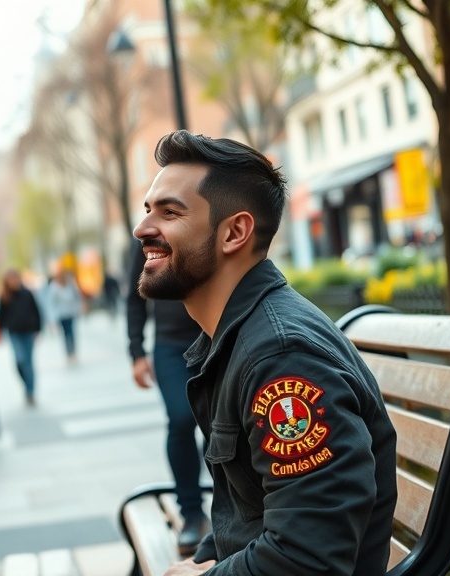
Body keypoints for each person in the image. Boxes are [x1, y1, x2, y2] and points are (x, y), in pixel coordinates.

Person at [132, 130, 397, 575]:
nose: (142, 229)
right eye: (147, 211)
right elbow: (248, 516)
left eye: (169, 212)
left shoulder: (282, 358)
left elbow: (309, 559)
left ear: (234, 232)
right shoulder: (237, 339)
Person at [125, 238, 207, 556]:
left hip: (213, 336)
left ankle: (231, 509)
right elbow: (134, 296)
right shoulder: (149, 238)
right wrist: (136, 351)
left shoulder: (203, 221)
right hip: (170, 347)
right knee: (181, 419)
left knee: (220, 422)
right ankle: (191, 512)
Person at [0, 268, 43, 405]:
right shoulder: (5, 296)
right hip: (14, 332)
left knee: (28, 362)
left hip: (28, 331)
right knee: (19, 361)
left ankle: (30, 392)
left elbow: (36, 311)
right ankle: (27, 384)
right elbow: (1, 316)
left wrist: (38, 329)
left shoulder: (27, 293)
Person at [45, 267, 84, 362]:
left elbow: (77, 296)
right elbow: (51, 303)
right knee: (66, 334)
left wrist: (80, 306)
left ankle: (73, 352)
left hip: (71, 312)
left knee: (72, 332)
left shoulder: (71, 284)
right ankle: (69, 353)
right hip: (61, 315)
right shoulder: (54, 287)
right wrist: (52, 318)